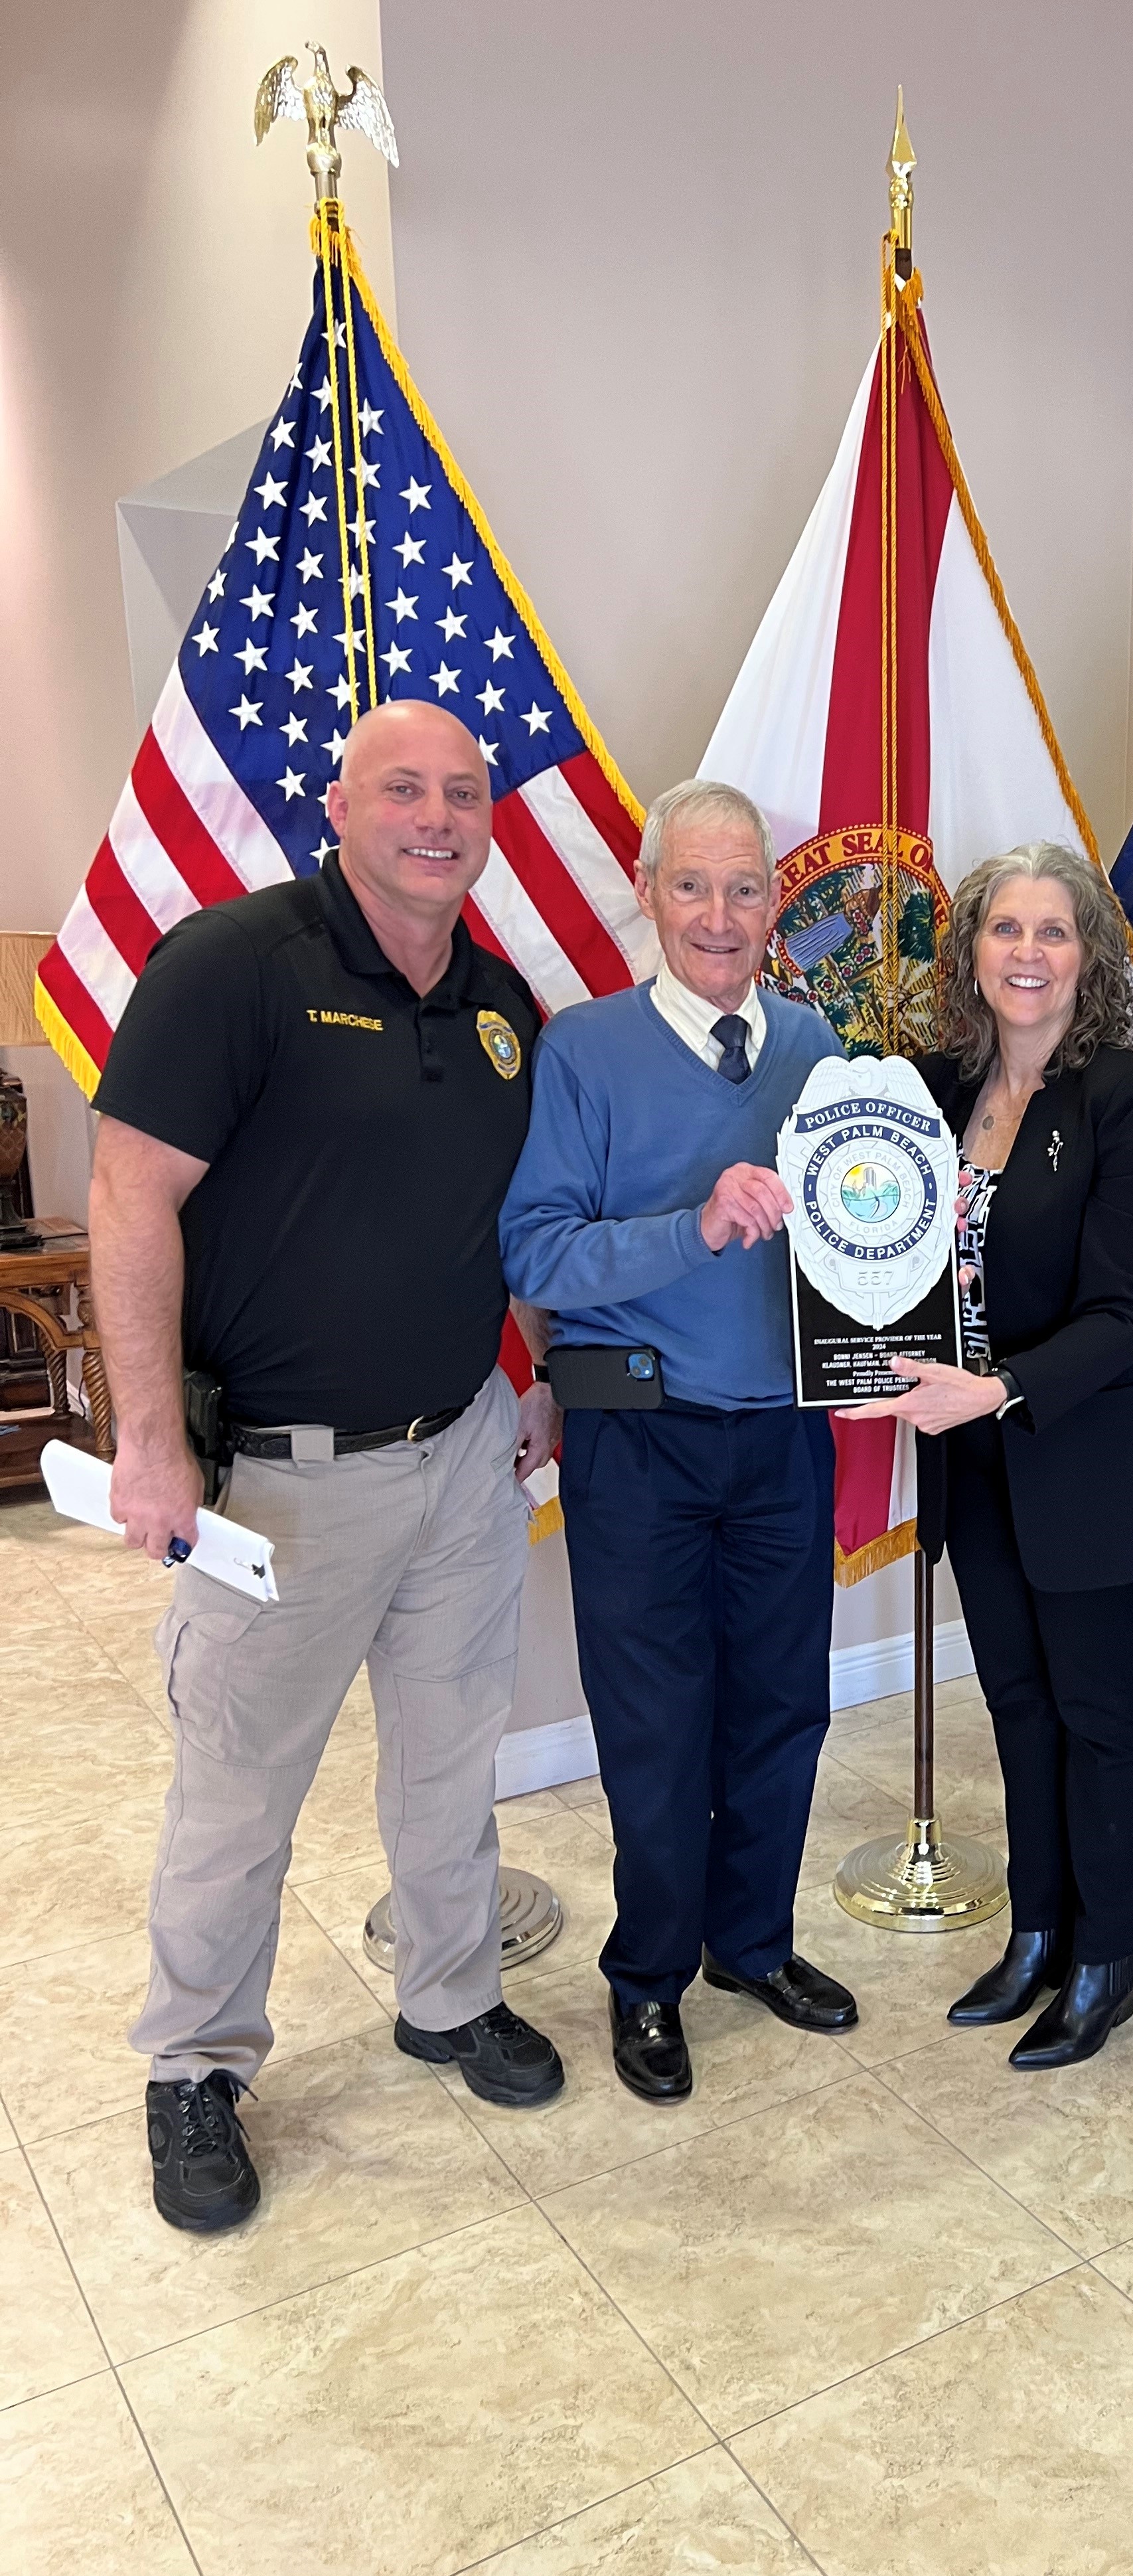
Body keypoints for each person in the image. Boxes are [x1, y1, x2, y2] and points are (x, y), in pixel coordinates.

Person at [90, 699, 567, 2238]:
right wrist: (153, 1445)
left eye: (463, 794)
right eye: (402, 790)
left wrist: (538, 1378)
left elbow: (518, 1221)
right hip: (279, 1490)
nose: (438, 817)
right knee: (239, 1793)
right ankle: (192, 2068)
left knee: (447, 1766)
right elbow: (126, 1194)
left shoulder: (502, 1005)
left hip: (459, 1457)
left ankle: (449, 1998)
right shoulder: (234, 966)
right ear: (340, 805)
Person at [498, 777, 856, 2106]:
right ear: (648, 897)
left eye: (746, 886)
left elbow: (855, 1236)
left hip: (781, 1438)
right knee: (656, 1724)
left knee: (782, 1710)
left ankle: (752, 1944)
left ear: (777, 903)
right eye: (693, 886)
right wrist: (690, 1228)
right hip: (635, 1436)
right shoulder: (584, 1050)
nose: (720, 913)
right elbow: (534, 1246)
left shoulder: (822, 1052)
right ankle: (647, 1976)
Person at [842, 841, 1133, 2067]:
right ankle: (1042, 1927)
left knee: (1099, 1707)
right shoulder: (934, 1090)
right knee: (1015, 1702)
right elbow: (880, 1241)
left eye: (1052, 932)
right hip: (975, 1460)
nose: (1027, 953)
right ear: (970, 953)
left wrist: (995, 1388)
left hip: (1086, 1453)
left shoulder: (1126, 1098)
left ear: (1086, 958)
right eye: (1005, 930)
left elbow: (1128, 1313)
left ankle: (1114, 1946)